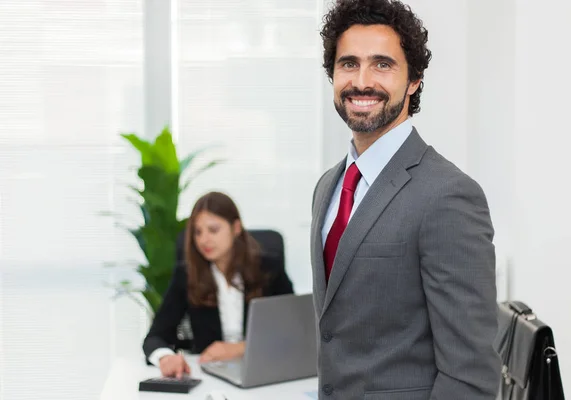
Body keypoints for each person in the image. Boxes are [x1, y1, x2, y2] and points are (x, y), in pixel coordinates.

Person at [310, 1, 501, 398]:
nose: (362, 81)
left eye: (382, 64)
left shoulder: (448, 196)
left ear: (413, 80)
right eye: (348, 64)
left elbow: (470, 375)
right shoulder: (328, 186)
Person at [143, 191, 294, 378]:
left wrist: (241, 348)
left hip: (265, 371)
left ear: (236, 228)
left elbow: (293, 329)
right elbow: (155, 336)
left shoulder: (268, 268)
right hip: (210, 374)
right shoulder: (188, 274)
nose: (204, 240)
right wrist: (165, 357)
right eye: (198, 232)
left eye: (213, 230)